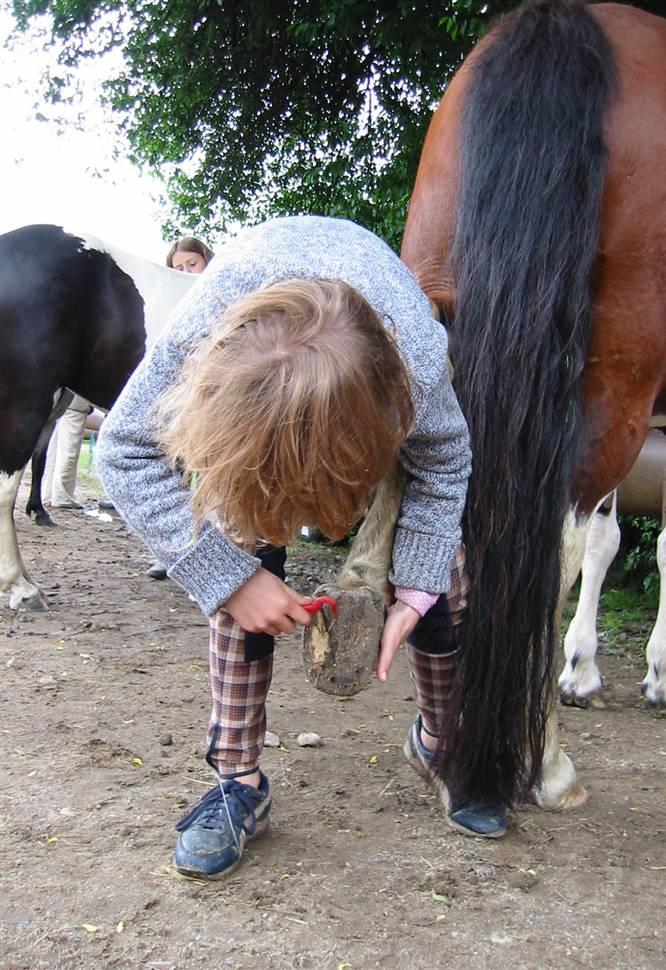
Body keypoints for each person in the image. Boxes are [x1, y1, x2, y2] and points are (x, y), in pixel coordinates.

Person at [97, 215, 507, 881]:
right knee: (233, 541)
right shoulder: (201, 335)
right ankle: (238, 781)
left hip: (375, 375)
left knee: (443, 569)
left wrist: (415, 590)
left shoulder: (420, 366)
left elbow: (445, 466)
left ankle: (440, 744)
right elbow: (121, 451)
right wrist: (230, 580)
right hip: (251, 364)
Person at [146, 235, 215, 579]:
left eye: (192, 264)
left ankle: (218, 553)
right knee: (176, 473)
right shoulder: (172, 309)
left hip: (214, 405)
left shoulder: (221, 297)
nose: (186, 271)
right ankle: (174, 551)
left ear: (206, 261)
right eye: (178, 267)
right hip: (182, 406)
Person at [42, 394, 93, 509]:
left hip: (60, 403)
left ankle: (48, 494)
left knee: (53, 451)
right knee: (69, 450)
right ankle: (62, 496)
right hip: (76, 405)